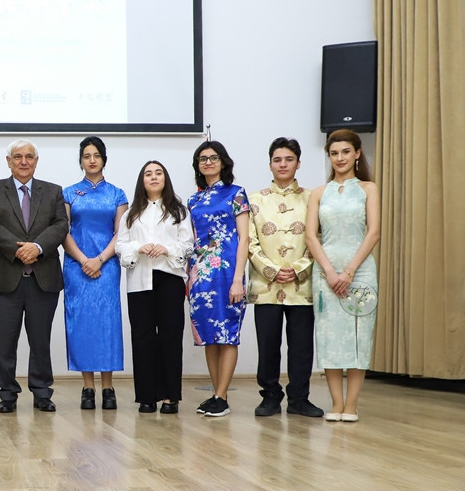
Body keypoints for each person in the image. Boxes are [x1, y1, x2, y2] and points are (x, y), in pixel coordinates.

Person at [0, 140, 69, 414]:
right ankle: (7, 394)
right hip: (3, 278)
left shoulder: (53, 191)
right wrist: (20, 250)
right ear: (8, 161)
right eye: (17, 156)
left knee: (40, 341)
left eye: (29, 156)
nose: (23, 161)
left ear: (36, 161)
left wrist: (38, 247)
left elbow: (61, 225)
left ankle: (42, 392)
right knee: (4, 342)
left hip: (43, 278)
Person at [305, 129, 380, 423]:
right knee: (329, 337)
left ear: (357, 153)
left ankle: (352, 404)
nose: (340, 158)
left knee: (360, 337)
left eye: (345, 152)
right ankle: (336, 403)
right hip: (325, 274)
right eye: (334, 153)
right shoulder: (318, 193)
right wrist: (330, 271)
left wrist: (348, 272)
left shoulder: (368, 189)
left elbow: (374, 232)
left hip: (360, 273)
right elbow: (311, 236)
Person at [247, 137, 323, 418]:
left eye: (289, 159)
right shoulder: (254, 200)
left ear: (298, 163)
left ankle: (299, 399)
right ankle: (269, 396)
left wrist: (300, 268)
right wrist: (271, 270)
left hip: (302, 285)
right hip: (266, 284)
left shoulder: (313, 198)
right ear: (270, 164)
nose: (283, 164)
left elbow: (319, 238)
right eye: (277, 160)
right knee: (268, 345)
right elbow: (249, 242)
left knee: (301, 346)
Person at [115, 161, 193, 414]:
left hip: (170, 278)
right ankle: (146, 397)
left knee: (171, 336)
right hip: (139, 280)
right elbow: (120, 245)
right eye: (148, 174)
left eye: (158, 173)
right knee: (142, 338)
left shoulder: (179, 211)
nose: (154, 177)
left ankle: (171, 397)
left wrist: (166, 249)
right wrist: (138, 247)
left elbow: (188, 244)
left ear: (165, 178)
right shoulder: (131, 213)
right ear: (142, 181)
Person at [61, 136, 128, 410]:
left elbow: (120, 233)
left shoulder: (117, 194)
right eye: (86, 155)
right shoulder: (68, 193)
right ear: (80, 161)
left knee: (107, 323)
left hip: (107, 266)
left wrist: (99, 260)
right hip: (76, 267)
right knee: (81, 324)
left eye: (96, 155)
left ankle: (108, 387)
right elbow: (63, 231)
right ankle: (87, 387)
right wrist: (83, 260)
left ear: (104, 159)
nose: (92, 160)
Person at [188, 141, 250, 417]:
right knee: (209, 335)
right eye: (203, 159)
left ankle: (222, 396)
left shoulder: (236, 194)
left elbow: (244, 238)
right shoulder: (193, 200)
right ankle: (217, 395)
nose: (208, 162)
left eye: (213, 158)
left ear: (223, 162)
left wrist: (238, 279)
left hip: (227, 272)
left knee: (228, 334)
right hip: (200, 274)